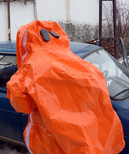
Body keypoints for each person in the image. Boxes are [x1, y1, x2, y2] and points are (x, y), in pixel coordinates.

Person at [7, 20, 125, 154]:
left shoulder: (31, 69)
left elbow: (20, 104)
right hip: (96, 142)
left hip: (53, 143)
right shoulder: (82, 64)